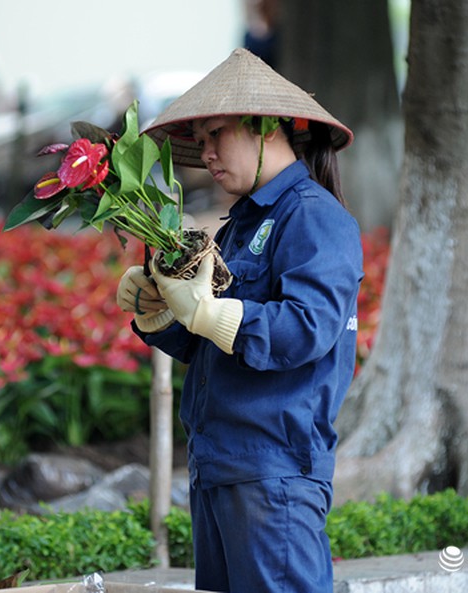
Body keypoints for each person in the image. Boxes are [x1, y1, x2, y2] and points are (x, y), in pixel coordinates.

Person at [116, 48, 363, 593]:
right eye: (199, 140)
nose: (205, 153)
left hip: (273, 473)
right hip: (222, 468)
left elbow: (305, 329)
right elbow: (213, 343)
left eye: (216, 134)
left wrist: (208, 311)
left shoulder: (315, 218)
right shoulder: (237, 225)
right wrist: (157, 312)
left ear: (266, 127)